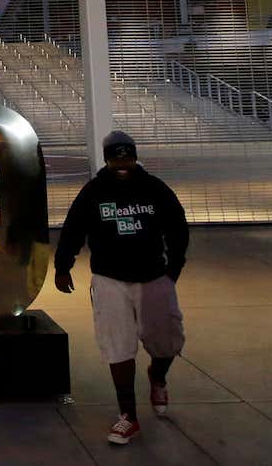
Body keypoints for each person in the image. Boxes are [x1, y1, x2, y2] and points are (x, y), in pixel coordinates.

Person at [54, 130, 189, 445]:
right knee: (117, 346)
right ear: (107, 159)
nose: (122, 164)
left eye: (127, 158)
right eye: (116, 159)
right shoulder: (94, 192)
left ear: (135, 156)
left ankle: (157, 376)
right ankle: (128, 416)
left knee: (167, 342)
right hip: (109, 279)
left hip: (154, 277)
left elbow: (178, 228)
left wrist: (173, 270)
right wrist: (63, 266)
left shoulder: (155, 189)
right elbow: (73, 229)